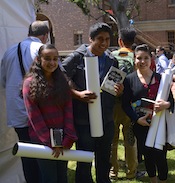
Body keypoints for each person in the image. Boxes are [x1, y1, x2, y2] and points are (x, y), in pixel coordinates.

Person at [62, 22, 123, 183]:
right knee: (85, 157)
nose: (104, 43)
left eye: (107, 39)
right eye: (100, 39)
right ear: (90, 39)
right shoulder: (77, 57)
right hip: (83, 118)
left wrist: (118, 90)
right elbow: (61, 76)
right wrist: (76, 94)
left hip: (106, 117)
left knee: (104, 157)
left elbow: (113, 85)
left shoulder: (111, 59)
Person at [0, 20, 49, 183]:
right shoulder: (43, 50)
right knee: (44, 157)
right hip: (39, 114)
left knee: (27, 155)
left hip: (17, 114)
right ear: (45, 36)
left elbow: (3, 82)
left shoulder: (9, 52)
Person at [22, 44, 77, 183]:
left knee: (62, 177)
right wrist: (50, 142)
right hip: (43, 141)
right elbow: (33, 115)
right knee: (49, 178)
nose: (52, 63)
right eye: (47, 58)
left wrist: (68, 136)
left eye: (55, 59)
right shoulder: (29, 83)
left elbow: (68, 109)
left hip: (63, 138)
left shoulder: (62, 81)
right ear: (39, 59)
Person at [122, 44, 174, 183]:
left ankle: (162, 180)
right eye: (139, 58)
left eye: (146, 58)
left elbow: (171, 101)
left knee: (160, 155)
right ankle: (153, 180)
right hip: (141, 124)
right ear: (134, 60)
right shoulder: (129, 79)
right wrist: (137, 119)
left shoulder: (160, 79)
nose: (142, 61)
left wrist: (166, 104)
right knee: (147, 155)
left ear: (151, 60)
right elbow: (125, 104)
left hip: (160, 124)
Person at [109, 26, 139, 179]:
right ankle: (131, 171)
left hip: (112, 104)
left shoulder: (110, 55)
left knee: (112, 140)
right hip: (130, 105)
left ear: (119, 40)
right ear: (133, 42)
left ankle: (113, 171)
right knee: (130, 139)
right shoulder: (138, 57)